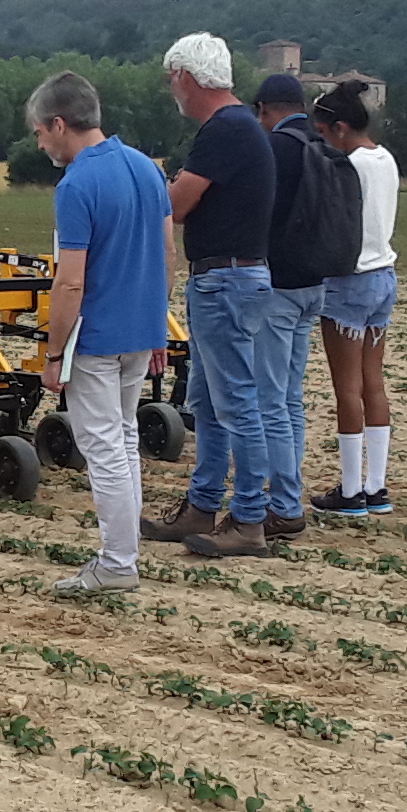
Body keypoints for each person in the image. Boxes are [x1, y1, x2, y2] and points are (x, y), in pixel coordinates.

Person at [26, 71, 171, 596]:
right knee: (126, 440)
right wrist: (161, 326)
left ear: (60, 124)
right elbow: (166, 253)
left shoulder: (77, 185)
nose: (40, 142)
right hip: (141, 328)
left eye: (40, 133)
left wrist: (53, 353)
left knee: (104, 448)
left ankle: (116, 562)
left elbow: (69, 282)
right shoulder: (147, 169)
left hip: (96, 336)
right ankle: (125, 549)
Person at [139, 34, 275, 558]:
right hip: (229, 278)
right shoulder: (240, 127)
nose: (172, 89)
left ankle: (246, 518)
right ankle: (202, 504)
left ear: (186, 77)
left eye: (171, 79)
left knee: (236, 404)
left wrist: (151, 186)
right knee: (209, 403)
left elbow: (176, 201)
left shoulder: (224, 131)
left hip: (225, 280)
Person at [199, 72, 332, 558]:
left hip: (277, 283)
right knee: (290, 399)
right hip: (317, 283)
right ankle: (288, 492)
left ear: (264, 109)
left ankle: (283, 503)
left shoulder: (276, 148)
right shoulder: (322, 144)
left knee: (267, 401)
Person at [310, 81, 399, 515]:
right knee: (372, 384)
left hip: (349, 280)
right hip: (384, 275)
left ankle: (349, 490)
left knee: (345, 388)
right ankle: (376, 484)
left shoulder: (347, 166)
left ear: (340, 128)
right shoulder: (386, 160)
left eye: (324, 132)